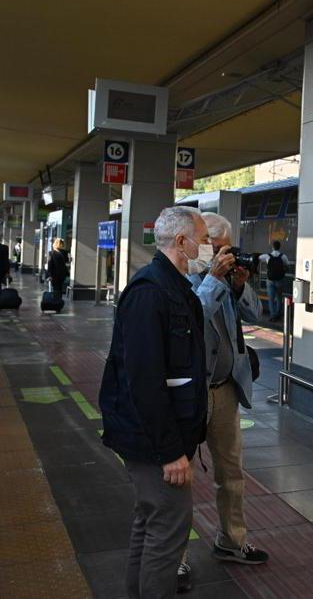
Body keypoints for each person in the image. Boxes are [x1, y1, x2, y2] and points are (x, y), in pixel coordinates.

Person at [98, 206, 209, 599]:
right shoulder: (150, 292)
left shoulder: (174, 287)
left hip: (159, 438)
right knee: (168, 530)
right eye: (204, 238)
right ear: (182, 242)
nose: (207, 246)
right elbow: (143, 381)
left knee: (149, 524)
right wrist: (170, 452)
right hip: (154, 443)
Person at [174, 214, 268, 592]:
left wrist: (241, 285)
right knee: (179, 477)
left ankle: (232, 539)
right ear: (195, 242)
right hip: (189, 392)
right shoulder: (179, 278)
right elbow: (194, 317)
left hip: (226, 388)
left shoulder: (225, 279)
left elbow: (257, 315)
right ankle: (175, 556)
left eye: (228, 245)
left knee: (232, 473)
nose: (224, 252)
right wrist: (214, 278)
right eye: (216, 243)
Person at [261, 240, 288, 322]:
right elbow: (287, 266)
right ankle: (278, 315)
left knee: (271, 299)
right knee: (279, 298)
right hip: (280, 280)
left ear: (272, 247)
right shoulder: (283, 256)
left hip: (270, 280)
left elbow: (259, 257)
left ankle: (272, 316)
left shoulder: (267, 256)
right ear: (279, 247)